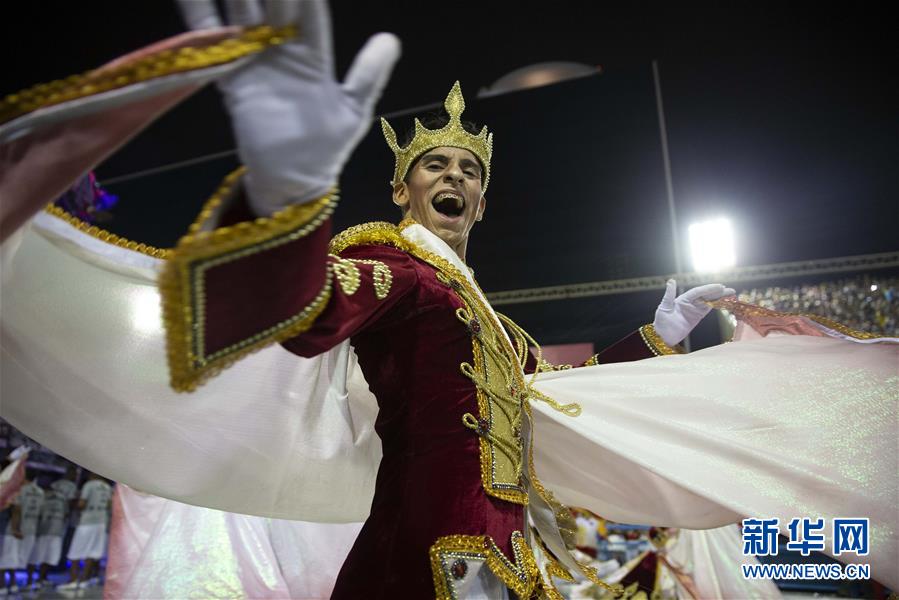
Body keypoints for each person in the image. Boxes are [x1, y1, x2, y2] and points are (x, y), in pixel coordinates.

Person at [0, 1, 896, 598]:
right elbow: (305, 316)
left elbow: (547, 408)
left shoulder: (487, 319)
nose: (455, 175)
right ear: (404, 189)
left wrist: (656, 336)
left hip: (507, 559)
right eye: (437, 163)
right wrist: (285, 189)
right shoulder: (398, 267)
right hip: (423, 558)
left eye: (470, 168)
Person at [57, 473, 112, 590]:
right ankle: (84, 580)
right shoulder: (107, 487)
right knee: (92, 552)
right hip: (101, 522)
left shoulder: (89, 485)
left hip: (87, 521)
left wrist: (75, 503)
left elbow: (82, 504)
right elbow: (109, 505)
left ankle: (72, 580)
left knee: (75, 551)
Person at [0, 468, 43, 595]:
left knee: (5, 560)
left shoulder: (19, 490)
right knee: (15, 560)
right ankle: (13, 585)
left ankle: (2, 587)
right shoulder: (40, 492)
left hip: (15, 530)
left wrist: (14, 528)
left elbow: (17, 510)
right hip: (31, 530)